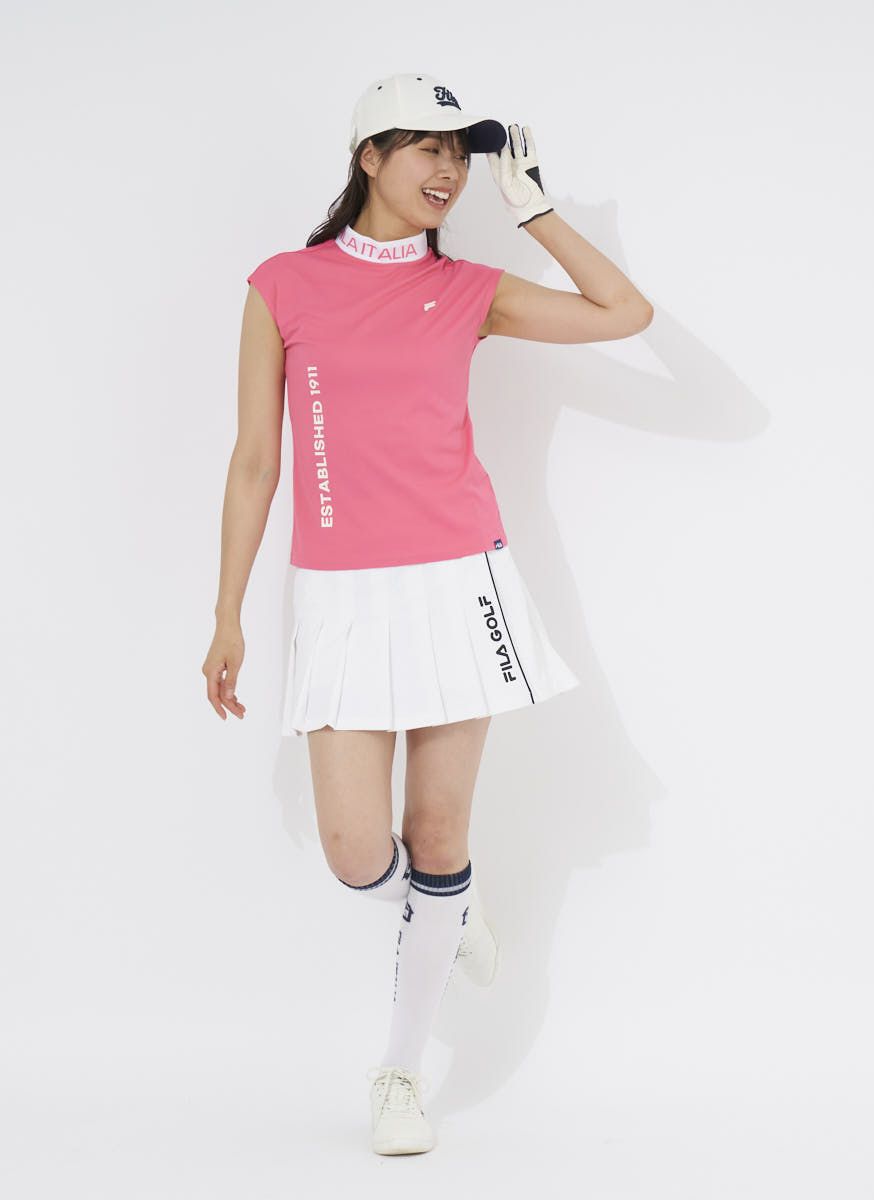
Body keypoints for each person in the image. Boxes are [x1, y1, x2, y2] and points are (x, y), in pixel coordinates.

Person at [202, 72, 653, 1156]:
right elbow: (256, 459)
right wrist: (228, 616)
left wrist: (539, 214)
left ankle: (399, 1076)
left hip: (459, 582)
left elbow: (623, 314)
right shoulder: (283, 285)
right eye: (427, 148)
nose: (450, 169)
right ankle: (446, 905)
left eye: (462, 153)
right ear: (369, 157)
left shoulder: (470, 290)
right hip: (340, 594)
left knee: (439, 831)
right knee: (356, 851)